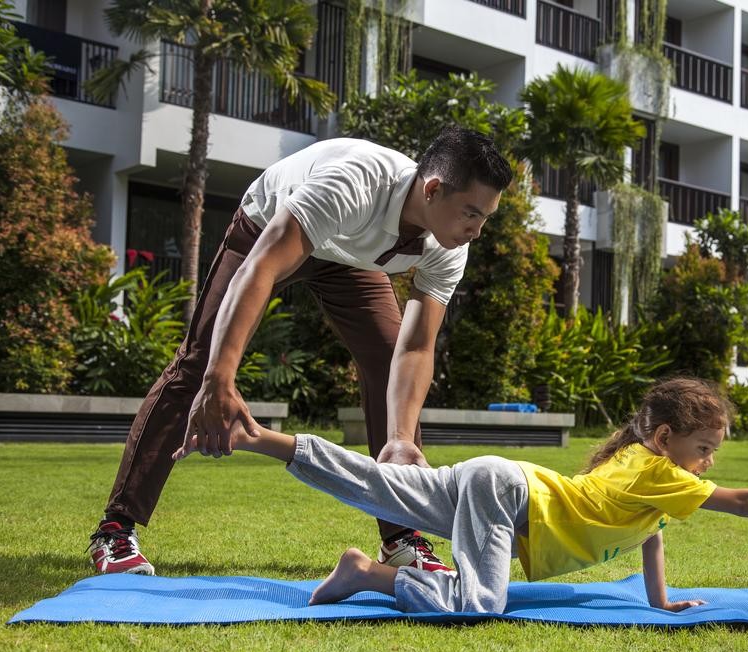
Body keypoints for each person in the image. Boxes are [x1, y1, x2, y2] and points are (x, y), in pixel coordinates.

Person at [88, 126, 514, 577]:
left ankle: (401, 537)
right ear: (432, 190)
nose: (477, 230)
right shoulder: (355, 182)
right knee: (199, 363)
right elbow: (262, 267)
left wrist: (402, 437)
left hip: (350, 260)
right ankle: (115, 531)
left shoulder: (449, 244)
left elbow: (415, 345)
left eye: (486, 217)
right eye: (471, 214)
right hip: (269, 226)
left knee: (387, 364)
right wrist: (220, 379)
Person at [172, 377, 748, 614]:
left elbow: (652, 535)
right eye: (704, 450)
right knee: (482, 602)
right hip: (505, 494)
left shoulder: (645, 470)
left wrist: (661, 602)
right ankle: (371, 572)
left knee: (376, 479)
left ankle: (260, 437)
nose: (708, 466)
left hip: (496, 481)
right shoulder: (664, 471)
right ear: (669, 438)